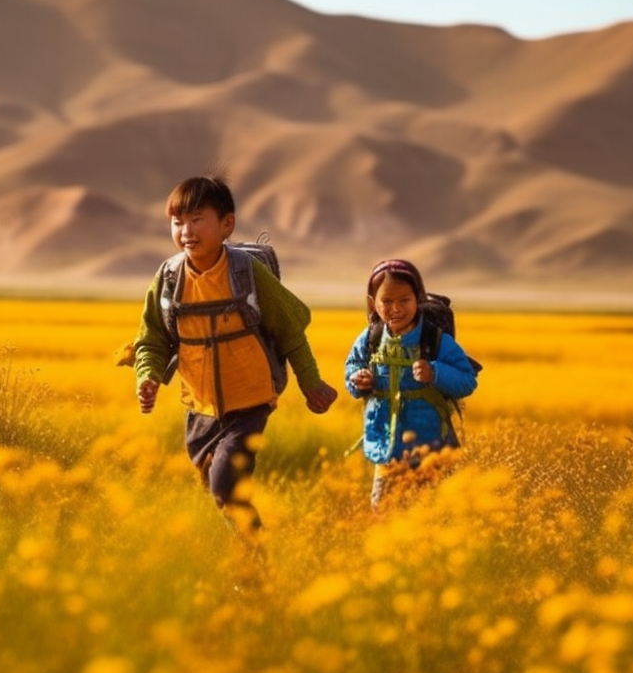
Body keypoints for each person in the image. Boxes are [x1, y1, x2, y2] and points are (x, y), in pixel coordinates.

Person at [133, 174, 338, 534]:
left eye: (198, 220)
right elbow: (152, 339)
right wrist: (147, 376)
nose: (186, 231)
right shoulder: (168, 278)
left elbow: (290, 327)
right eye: (178, 222)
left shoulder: (247, 273)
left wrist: (311, 382)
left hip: (250, 401)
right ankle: (244, 551)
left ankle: (254, 565)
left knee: (226, 483)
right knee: (214, 487)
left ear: (227, 224)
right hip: (200, 407)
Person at [345, 259, 478, 508]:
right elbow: (351, 368)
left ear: (418, 299)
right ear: (373, 302)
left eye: (404, 301)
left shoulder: (434, 340)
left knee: (434, 514)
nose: (395, 308)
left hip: (431, 448)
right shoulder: (370, 338)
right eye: (386, 301)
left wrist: (435, 373)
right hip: (387, 446)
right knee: (382, 512)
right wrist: (357, 380)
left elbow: (467, 380)